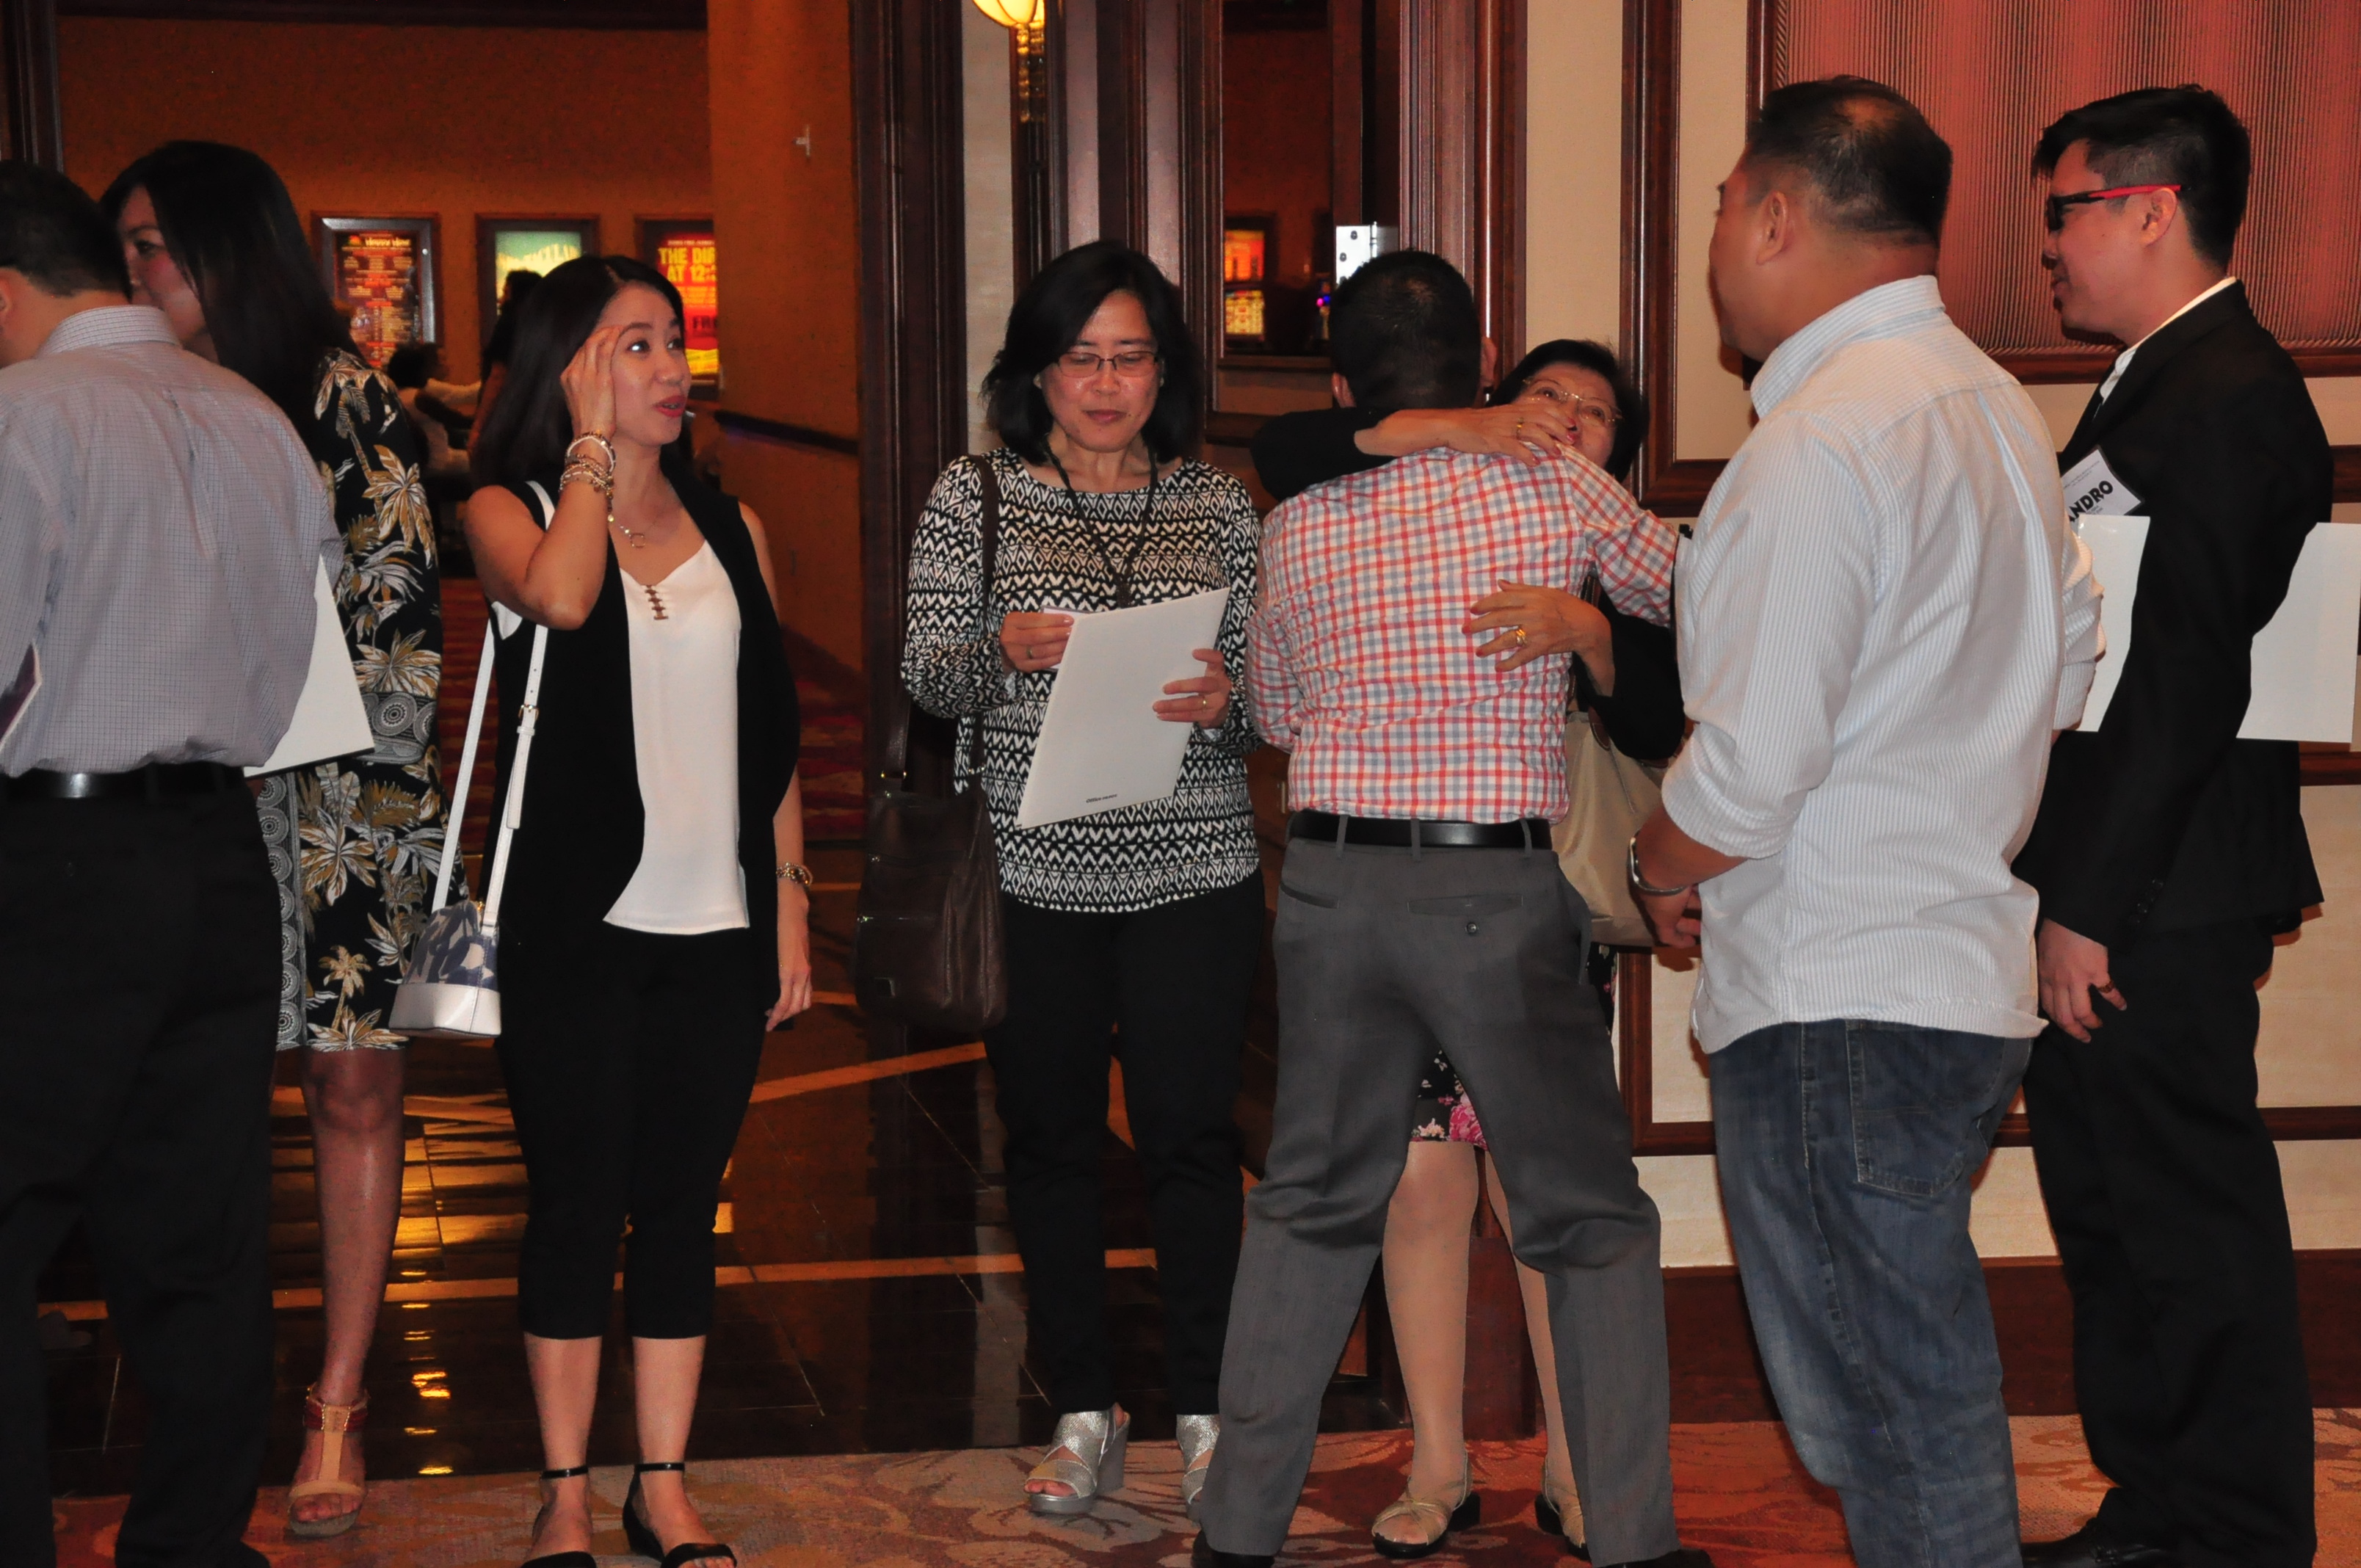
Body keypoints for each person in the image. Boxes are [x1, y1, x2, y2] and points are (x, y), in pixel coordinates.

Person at [1625, 79, 2102, 1568]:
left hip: (1840, 986)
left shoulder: (1819, 441)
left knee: (1893, 1417)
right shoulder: (1999, 413)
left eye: (1722, 207)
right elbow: (2073, 667)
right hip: (1951, 970)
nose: (1715, 240)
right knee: (1910, 1397)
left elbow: (1752, 766)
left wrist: (1657, 857)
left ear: (1777, 216)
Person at [1197, 249, 1702, 1568]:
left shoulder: (1297, 522)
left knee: (1308, 1204)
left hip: (1331, 886)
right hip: (1490, 884)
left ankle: (1235, 1534)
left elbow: (1274, 714)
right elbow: (1702, 600)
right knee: (1582, 1217)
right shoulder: (1552, 483)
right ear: (1484, 368)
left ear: (1340, 387)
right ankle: (1630, 1536)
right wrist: (1592, 626)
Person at [100, 140, 456, 1540]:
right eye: (125, 247)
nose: (134, 271)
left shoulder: (345, 402)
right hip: (186, 799)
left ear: (224, 248)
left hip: (342, 805)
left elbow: (401, 639)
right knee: (191, 1100)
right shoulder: (135, 397)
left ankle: (339, 1400)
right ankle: (199, 1404)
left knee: (351, 1091)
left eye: (153, 246)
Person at [0, 160, 338, 1568]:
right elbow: (302, 674)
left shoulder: (24, 416)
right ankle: (192, 1548)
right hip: (220, 855)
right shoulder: (257, 417)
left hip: (59, 860)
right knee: (198, 1239)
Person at [2012, 87, 2329, 1568]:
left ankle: (2235, 1530)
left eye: (2064, 211)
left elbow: (2187, 675)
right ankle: (2160, 1505)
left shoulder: (2230, 390)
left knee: (2186, 1218)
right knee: (2113, 1210)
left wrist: (2088, 903)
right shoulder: (2156, 380)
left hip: (2161, 892)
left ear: (2146, 209)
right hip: (2124, 875)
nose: (2049, 248)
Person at [901, 239, 1263, 1519]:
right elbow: (926, 671)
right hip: (1031, 871)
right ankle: (1083, 1409)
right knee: (1050, 1143)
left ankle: (1209, 1412)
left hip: (1195, 866)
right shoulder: (977, 495)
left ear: (1166, 372)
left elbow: (1269, 693)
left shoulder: (1218, 505)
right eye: (1080, 360)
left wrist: (1229, 699)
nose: (1106, 386)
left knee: (1192, 1141)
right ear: (1036, 373)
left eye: (1131, 359)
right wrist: (997, 649)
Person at [465, 253, 810, 1568]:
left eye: (674, 341)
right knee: (575, 1202)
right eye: (636, 345)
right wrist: (590, 459)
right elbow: (560, 598)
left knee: (680, 1207)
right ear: (571, 370)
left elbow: (769, 736)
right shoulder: (509, 509)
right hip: (575, 928)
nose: (672, 367)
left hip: (714, 925)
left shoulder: (736, 528)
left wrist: (788, 901)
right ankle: (564, 1492)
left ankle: (661, 1485)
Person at [473, 266, 540, 442]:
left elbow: (498, 376)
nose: (501, 300)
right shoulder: (544, 325)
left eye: (506, 293)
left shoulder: (509, 323)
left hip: (507, 412)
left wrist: (479, 425)